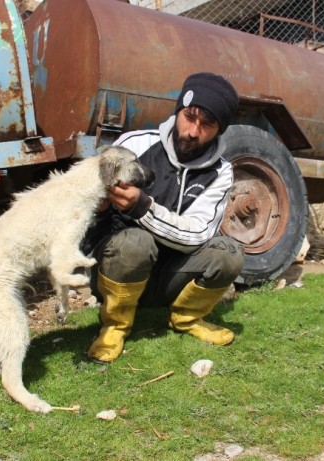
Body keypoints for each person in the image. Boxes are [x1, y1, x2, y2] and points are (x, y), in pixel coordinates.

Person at [83, 72, 245, 364]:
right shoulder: (134, 144)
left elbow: (198, 234)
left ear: (219, 130)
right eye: (189, 117)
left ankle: (186, 318)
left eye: (207, 124)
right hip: (116, 270)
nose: (193, 131)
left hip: (171, 277)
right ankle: (115, 325)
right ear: (177, 110)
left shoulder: (221, 173)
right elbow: (85, 200)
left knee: (230, 253)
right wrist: (102, 204)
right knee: (136, 242)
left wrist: (142, 207)